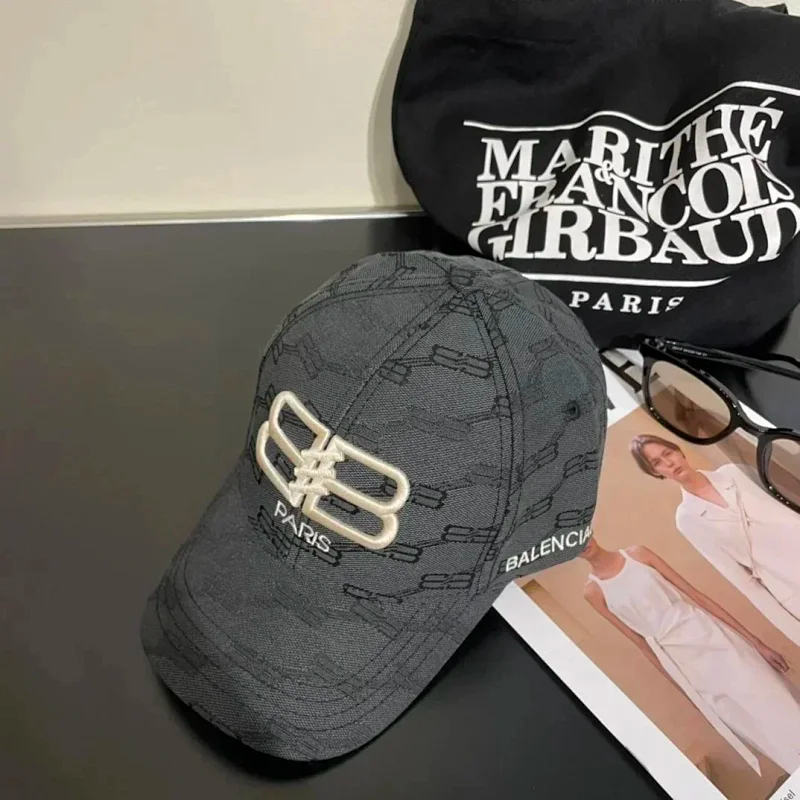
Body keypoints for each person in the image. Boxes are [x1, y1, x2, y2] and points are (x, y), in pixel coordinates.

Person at [581, 537, 800, 775]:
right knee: (750, 722)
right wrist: (689, 695)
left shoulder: (638, 555)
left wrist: (756, 643)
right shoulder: (593, 592)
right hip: (681, 662)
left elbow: (697, 596)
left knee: (772, 695)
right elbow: (641, 644)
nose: (580, 544)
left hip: (709, 635)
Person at [630, 433, 800, 647]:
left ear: (679, 451)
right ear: (655, 472)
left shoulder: (734, 473)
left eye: (668, 453)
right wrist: (794, 632)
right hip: (789, 584)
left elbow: (789, 503)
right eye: (657, 463)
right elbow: (738, 578)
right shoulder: (688, 518)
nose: (668, 463)